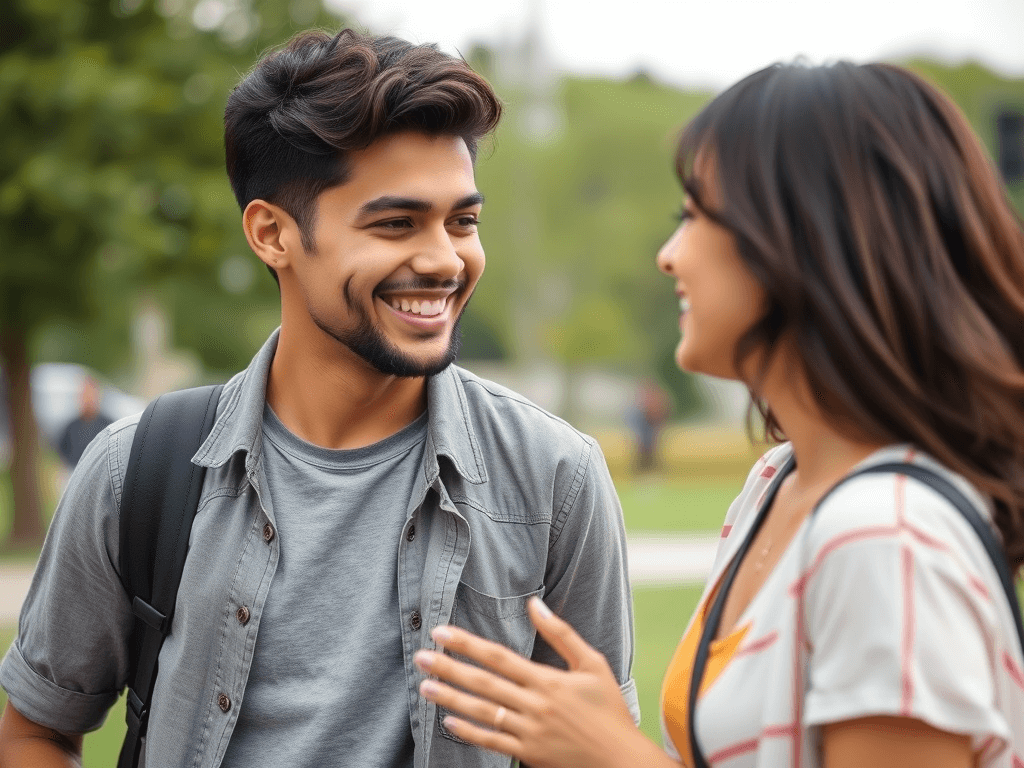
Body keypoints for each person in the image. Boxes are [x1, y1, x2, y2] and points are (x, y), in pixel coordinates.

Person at [0, 28, 638, 767]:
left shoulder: (555, 477)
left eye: (463, 221)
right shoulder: (134, 470)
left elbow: (604, 750)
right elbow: (36, 727)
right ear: (272, 234)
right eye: (396, 223)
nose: (443, 259)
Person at [414, 61, 1024, 767]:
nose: (669, 257)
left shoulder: (885, 537)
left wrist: (618, 759)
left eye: (696, 217)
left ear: (805, 244)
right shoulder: (775, 484)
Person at [56, 375, 113, 467]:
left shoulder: (108, 425)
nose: (87, 399)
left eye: (90, 395)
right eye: (84, 395)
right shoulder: (72, 426)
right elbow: (61, 449)